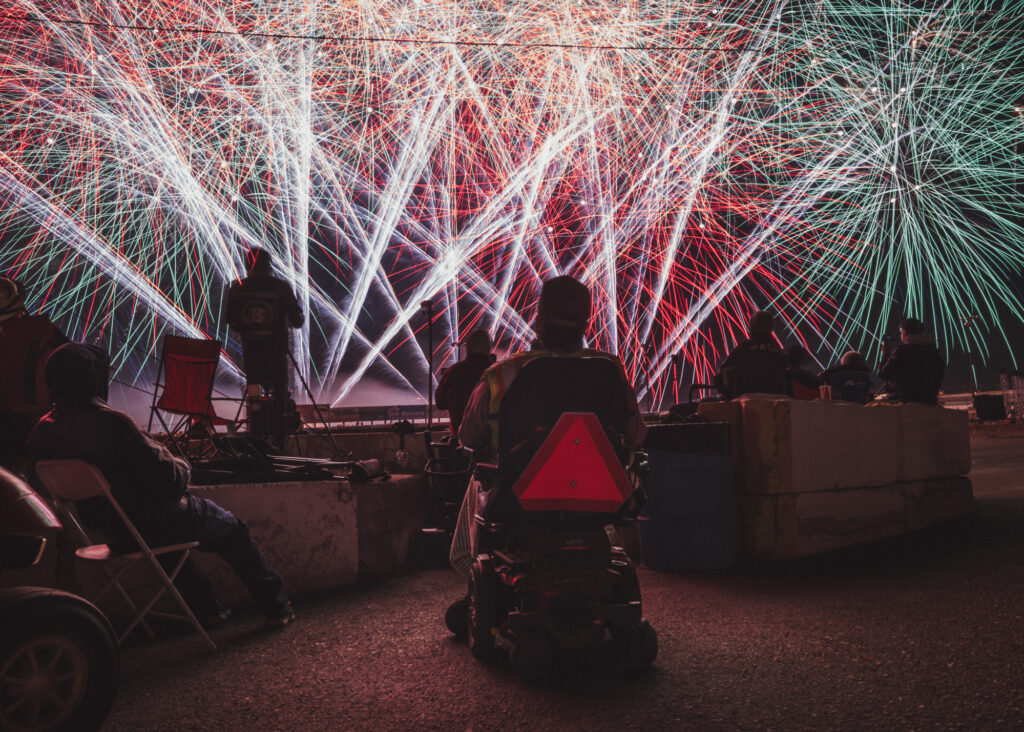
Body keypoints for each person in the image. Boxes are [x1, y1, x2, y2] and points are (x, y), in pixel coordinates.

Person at [26, 343, 295, 627]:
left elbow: (38, 485)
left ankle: (209, 608)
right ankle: (276, 607)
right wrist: (184, 467)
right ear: (92, 378)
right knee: (233, 531)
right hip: (155, 523)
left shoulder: (43, 430)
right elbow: (168, 479)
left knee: (165, 546)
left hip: (112, 532)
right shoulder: (113, 424)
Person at [452, 275, 646, 576]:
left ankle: (472, 583)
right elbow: (636, 435)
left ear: (539, 321)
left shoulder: (503, 375)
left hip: (518, 502)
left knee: (479, 480)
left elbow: (468, 436)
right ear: (586, 324)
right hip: (599, 499)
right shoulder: (610, 371)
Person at [226, 248, 304, 449]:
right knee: (280, 400)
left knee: (255, 400)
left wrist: (250, 327)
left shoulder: (237, 288)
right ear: (269, 265)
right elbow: (298, 320)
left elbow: (232, 321)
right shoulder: (281, 287)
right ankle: (280, 444)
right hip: (277, 355)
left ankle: (257, 442)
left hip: (252, 357)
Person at [713, 310, 789, 399]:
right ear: (770, 327)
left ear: (752, 327)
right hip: (776, 404)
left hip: (746, 405)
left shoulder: (742, 349)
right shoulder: (781, 353)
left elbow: (720, 380)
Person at [435, 329, 496, 437]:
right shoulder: (497, 372)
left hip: (459, 443)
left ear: (468, 349)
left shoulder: (453, 372)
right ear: (489, 349)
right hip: (492, 444)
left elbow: (440, 403)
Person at [877, 318, 945, 405]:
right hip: (930, 400)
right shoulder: (934, 352)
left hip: (906, 400)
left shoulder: (901, 351)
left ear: (906, 332)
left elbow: (884, 374)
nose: (900, 334)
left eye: (901, 331)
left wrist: (885, 354)